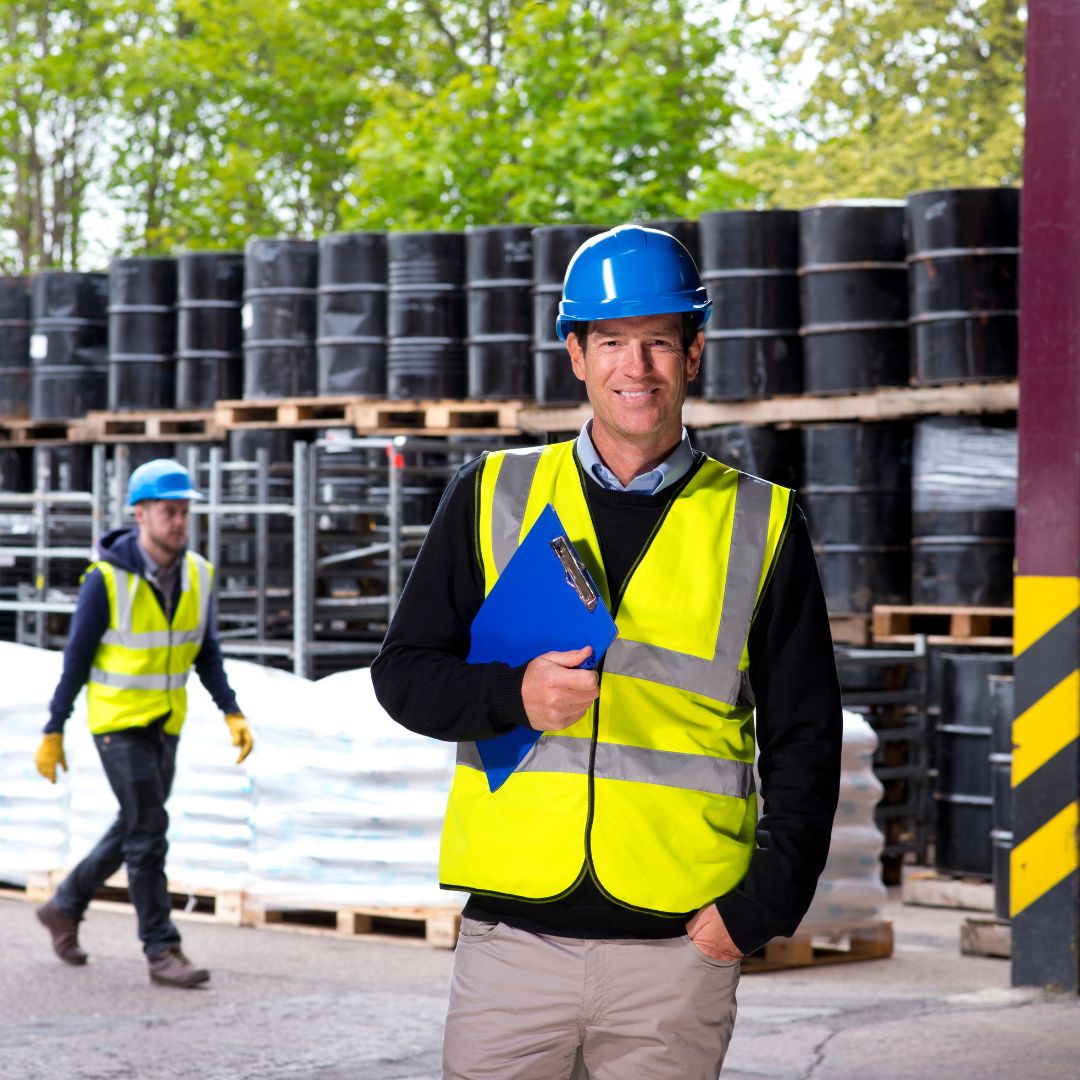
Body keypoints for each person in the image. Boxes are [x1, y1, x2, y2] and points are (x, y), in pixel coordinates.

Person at [371, 224, 842, 1078]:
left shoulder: (762, 523)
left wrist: (758, 908)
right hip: (513, 945)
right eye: (614, 342)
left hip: (677, 952)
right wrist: (512, 698)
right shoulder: (491, 493)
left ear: (694, 353)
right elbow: (403, 677)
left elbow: (808, 737)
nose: (638, 367)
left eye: (660, 341)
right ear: (576, 354)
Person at [33, 458, 254, 989]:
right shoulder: (104, 581)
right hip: (116, 723)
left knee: (136, 825)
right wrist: (53, 727)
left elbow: (207, 652)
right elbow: (76, 661)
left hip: (165, 721)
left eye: (184, 512)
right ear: (139, 514)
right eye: (168, 511)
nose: (179, 522)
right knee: (149, 831)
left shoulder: (197, 574)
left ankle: (64, 905)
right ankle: (161, 948)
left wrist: (231, 709)